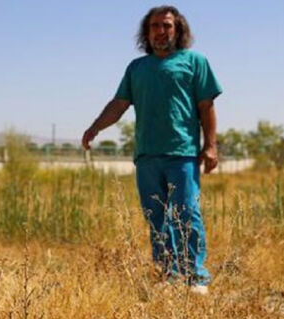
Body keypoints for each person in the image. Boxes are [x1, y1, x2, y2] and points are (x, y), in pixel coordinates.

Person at [81, 5, 222, 295]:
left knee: (186, 213)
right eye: (155, 26)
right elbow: (119, 104)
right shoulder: (137, 68)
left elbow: (206, 106)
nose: (161, 31)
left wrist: (210, 146)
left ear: (178, 29)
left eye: (167, 25)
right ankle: (167, 274)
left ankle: (196, 276)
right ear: (147, 32)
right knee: (155, 216)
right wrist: (95, 128)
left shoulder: (194, 62)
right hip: (147, 155)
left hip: (182, 153)